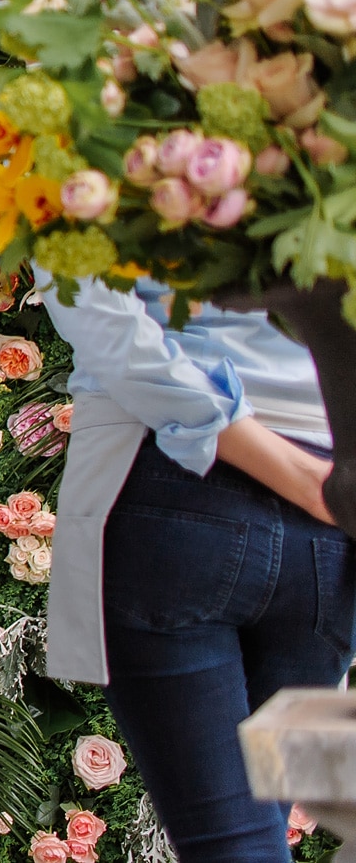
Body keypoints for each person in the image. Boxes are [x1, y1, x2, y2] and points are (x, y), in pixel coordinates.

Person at [47, 280, 351, 862]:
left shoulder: (87, 185)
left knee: (235, 842)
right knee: (251, 834)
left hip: (172, 474)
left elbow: (91, 302)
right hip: (328, 506)